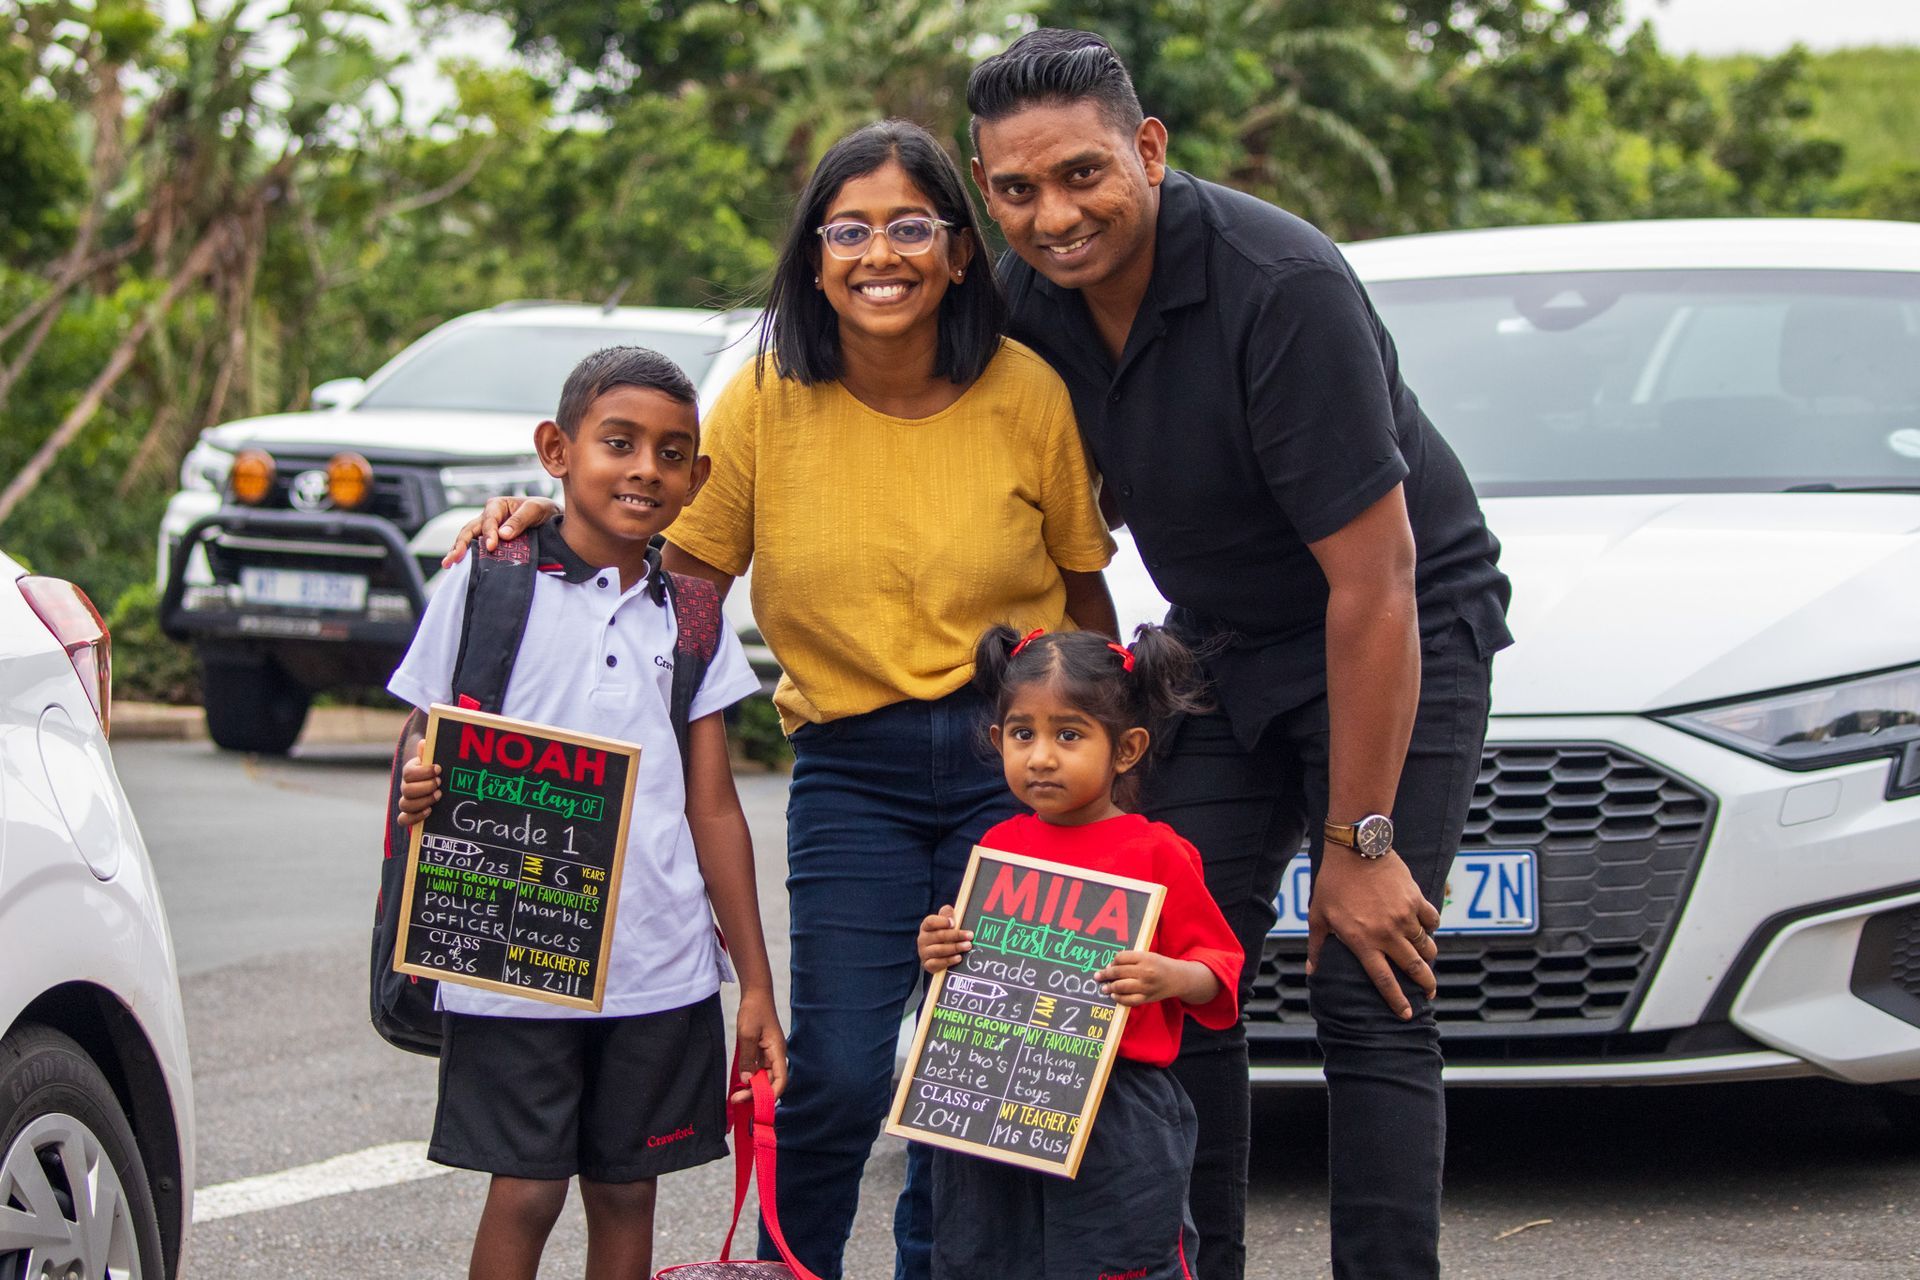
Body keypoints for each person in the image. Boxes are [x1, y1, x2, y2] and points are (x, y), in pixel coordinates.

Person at [447, 120, 1118, 1280]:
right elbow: (678, 577)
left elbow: (1084, 598)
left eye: (912, 225)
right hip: (852, 767)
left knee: (981, 1085)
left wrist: (1104, 768)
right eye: (847, 229)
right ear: (814, 258)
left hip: (1013, 766)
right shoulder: (764, 398)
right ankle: (794, 1269)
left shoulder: (1027, 393)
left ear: (962, 252)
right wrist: (543, 526)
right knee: (843, 1069)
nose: (879, 254)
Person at [964, 30, 1514, 1280]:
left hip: (1392, 625)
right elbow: (863, 389)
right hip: (1217, 646)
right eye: (1017, 189)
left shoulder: (1282, 284)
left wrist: (1361, 845)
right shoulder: (1024, 298)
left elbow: (1374, 581)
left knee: (1365, 976)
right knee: (1158, 967)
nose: (1054, 215)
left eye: (1084, 175)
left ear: (1148, 151)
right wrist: (555, 525)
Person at [388, 346, 787, 1280]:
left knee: (626, 1190)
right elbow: (424, 736)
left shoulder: (692, 617)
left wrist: (756, 982)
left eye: (671, 451)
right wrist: (414, 779)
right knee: (523, 1189)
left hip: (660, 962)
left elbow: (714, 805)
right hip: (514, 954)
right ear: (556, 451)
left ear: (699, 477)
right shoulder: (486, 581)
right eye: (619, 443)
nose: (645, 468)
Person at [917, 624, 1242, 1280]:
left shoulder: (1156, 852)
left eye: (1068, 735)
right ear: (996, 740)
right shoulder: (999, 846)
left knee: (1116, 1261)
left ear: (1126, 749)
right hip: (994, 1096)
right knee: (986, 1259)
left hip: (1117, 1110)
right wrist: (940, 946)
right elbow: (971, 968)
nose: (1040, 757)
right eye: (1022, 733)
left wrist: (1171, 974)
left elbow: (1220, 971)